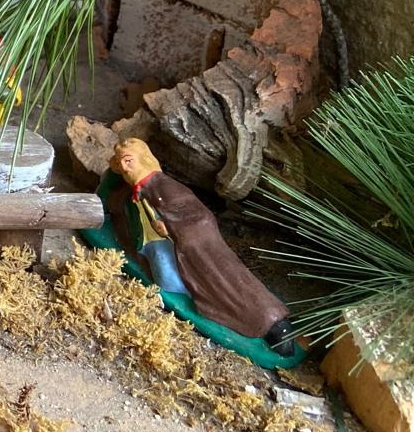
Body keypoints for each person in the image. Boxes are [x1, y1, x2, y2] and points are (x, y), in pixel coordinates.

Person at [105, 139, 296, 352]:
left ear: (143, 159)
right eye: (120, 164)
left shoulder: (164, 185)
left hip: (197, 248)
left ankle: (271, 322)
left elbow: (199, 216)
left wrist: (170, 227)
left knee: (225, 281)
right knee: (174, 277)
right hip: (165, 246)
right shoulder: (134, 189)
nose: (124, 168)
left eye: (128, 161)